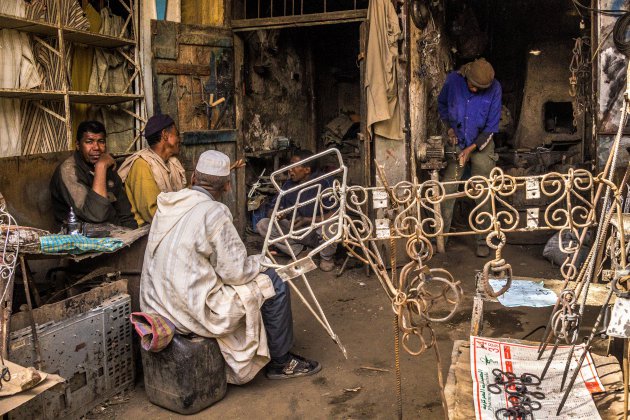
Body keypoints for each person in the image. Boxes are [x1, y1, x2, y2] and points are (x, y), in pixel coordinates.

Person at [140, 150, 321, 384]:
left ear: (193, 177)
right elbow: (236, 272)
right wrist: (262, 260)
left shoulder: (168, 204)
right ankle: (281, 361)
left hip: (156, 301)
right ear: (227, 187)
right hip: (190, 309)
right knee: (274, 279)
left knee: (255, 274)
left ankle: (270, 345)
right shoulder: (213, 212)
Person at [437, 58, 502, 257]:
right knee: (447, 189)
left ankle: (484, 239)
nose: (475, 90)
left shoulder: (495, 89)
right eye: (473, 86)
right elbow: (442, 105)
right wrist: (449, 130)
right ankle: (440, 238)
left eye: (480, 89)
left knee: (482, 188)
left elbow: (491, 127)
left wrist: (470, 149)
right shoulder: (453, 81)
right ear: (466, 77)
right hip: (457, 140)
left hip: (481, 142)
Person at [256, 149, 338, 272]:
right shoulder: (288, 185)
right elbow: (272, 208)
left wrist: (309, 220)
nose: (290, 170)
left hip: (318, 231)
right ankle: (301, 252)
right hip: (297, 230)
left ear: (307, 170)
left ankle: (326, 257)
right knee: (263, 224)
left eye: (294, 166)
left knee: (332, 225)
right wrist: (277, 214)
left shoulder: (325, 182)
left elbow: (336, 213)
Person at [50, 120, 137, 229]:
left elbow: (126, 215)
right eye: (89, 142)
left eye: (101, 141)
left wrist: (132, 234)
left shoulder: (108, 168)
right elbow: (97, 215)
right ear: (78, 145)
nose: (96, 147)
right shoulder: (69, 171)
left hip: (113, 233)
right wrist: (101, 167)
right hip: (78, 238)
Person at [118, 114, 186, 226]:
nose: (179, 139)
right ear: (165, 135)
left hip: (168, 225)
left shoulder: (172, 163)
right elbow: (152, 213)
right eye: (177, 135)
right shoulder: (142, 165)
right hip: (145, 232)